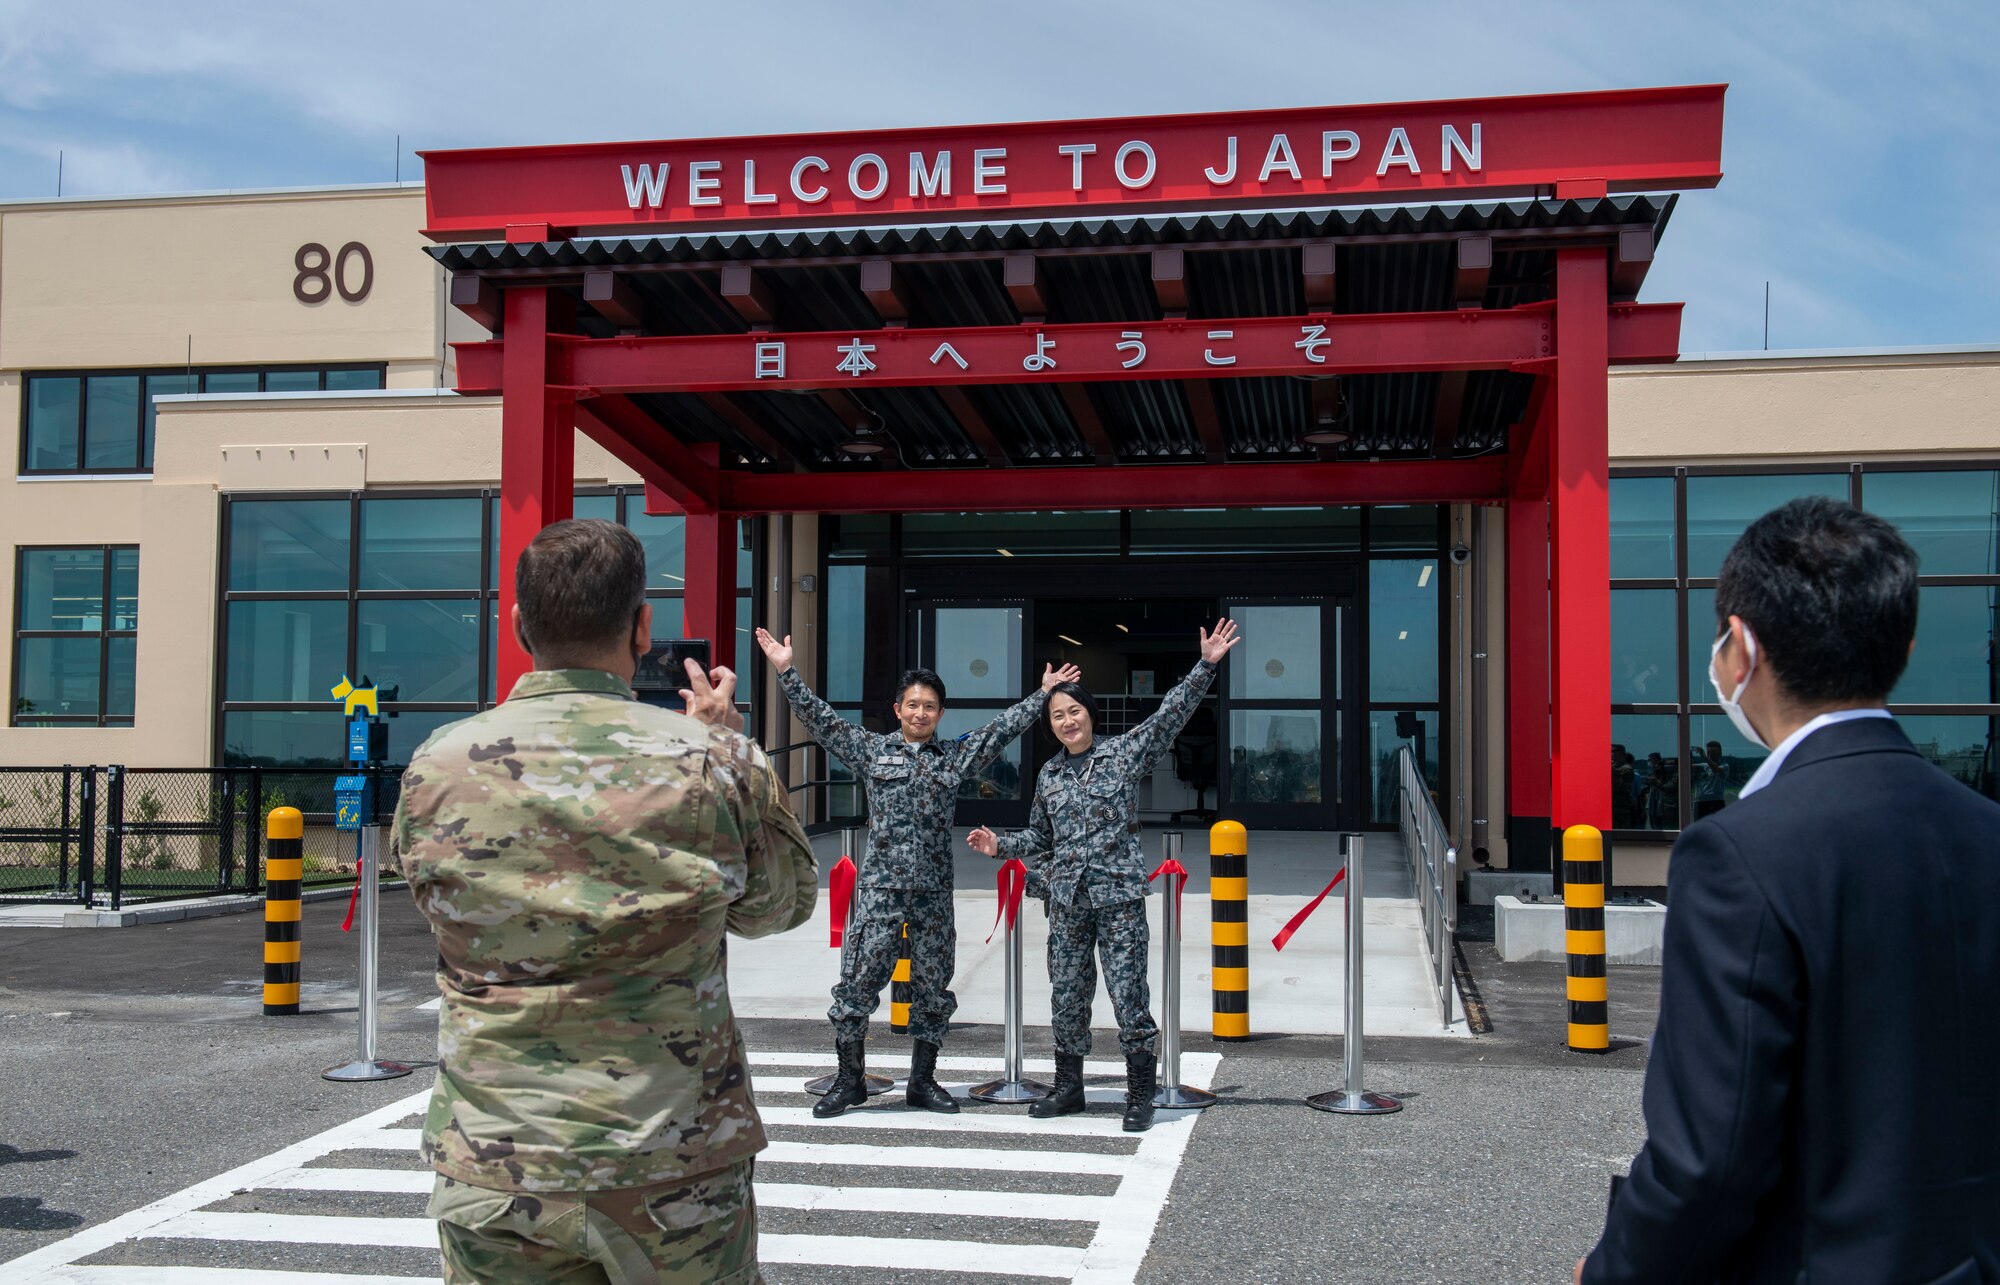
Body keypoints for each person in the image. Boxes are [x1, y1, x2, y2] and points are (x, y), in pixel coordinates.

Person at [1579, 497, 2000, 1284]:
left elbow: (1709, 1160)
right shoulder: (1985, 830)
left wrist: (1613, 1270)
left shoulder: (1738, 853)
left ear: (1740, 649)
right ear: (1901, 646)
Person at [395, 519, 816, 1285]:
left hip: (497, 1161)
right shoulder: (708, 761)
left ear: (520, 624)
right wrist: (735, 746)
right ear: (644, 626)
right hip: (670, 1163)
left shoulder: (438, 764)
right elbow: (777, 908)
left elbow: (437, 905)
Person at [754, 626, 1077, 1117]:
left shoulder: (953, 757)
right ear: (898, 709)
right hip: (882, 890)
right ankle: (850, 1080)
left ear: (940, 714)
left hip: (931, 894)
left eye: (929, 706)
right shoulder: (872, 751)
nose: (920, 712)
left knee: (932, 988)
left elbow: (999, 730)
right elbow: (821, 722)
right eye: (913, 704)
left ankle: (922, 1082)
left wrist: (1042, 695)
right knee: (858, 984)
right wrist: (786, 671)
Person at [969, 619, 1242, 1133]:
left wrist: (1205, 665)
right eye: (1057, 716)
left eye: (1074, 712)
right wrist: (999, 845)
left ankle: (1139, 1094)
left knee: (1128, 995)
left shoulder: (1121, 754)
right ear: (1050, 725)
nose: (1067, 721)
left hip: (1118, 900)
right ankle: (1068, 1087)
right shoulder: (1050, 774)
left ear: (1091, 715)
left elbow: (1169, 717)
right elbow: (1040, 838)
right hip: (1067, 902)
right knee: (1067, 995)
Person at [1691, 739, 1729, 819]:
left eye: (1713, 753)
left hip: (1716, 801)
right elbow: (1687, 767)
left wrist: (1704, 756)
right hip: (1700, 801)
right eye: (1708, 753)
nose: (1710, 755)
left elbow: (1716, 770)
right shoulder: (1703, 766)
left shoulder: (1725, 766)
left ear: (1720, 754)